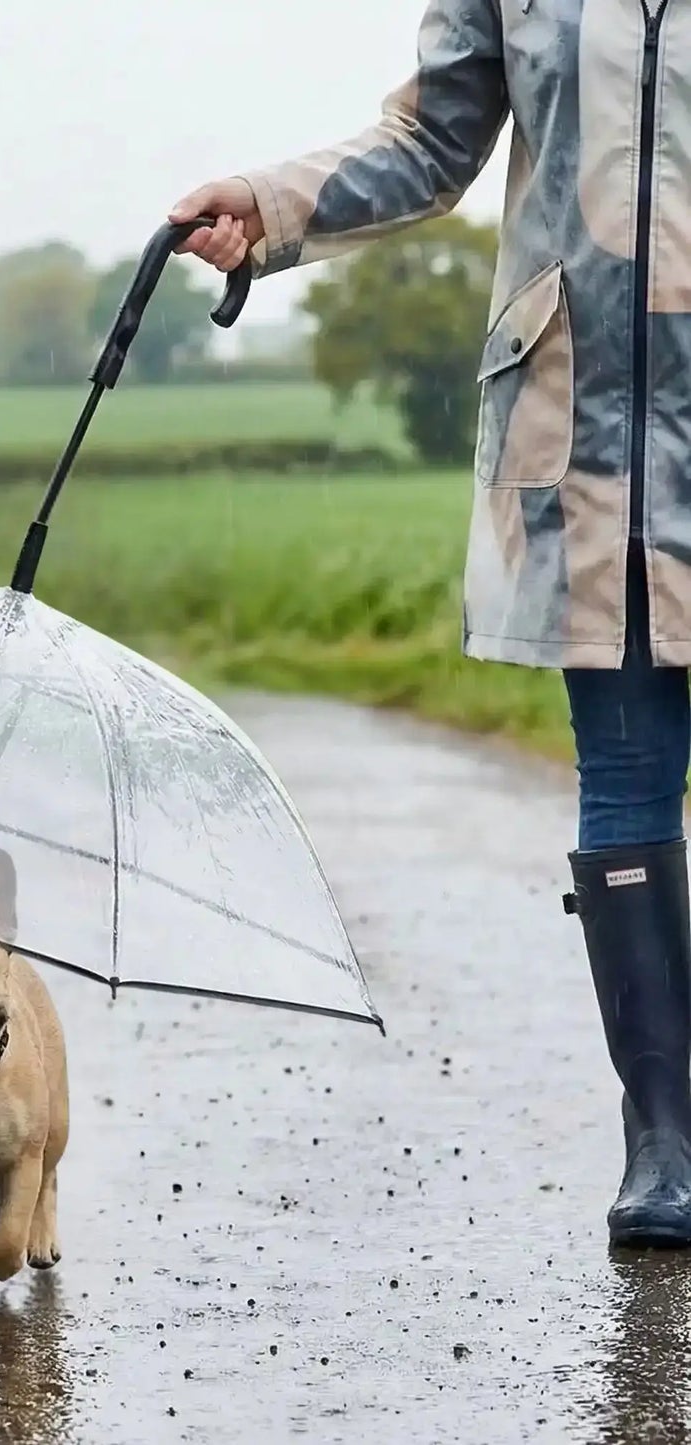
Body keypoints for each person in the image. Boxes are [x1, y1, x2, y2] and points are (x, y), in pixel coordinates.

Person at [169, 0, 691, 1248]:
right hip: (586, 438)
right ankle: (665, 1136)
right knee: (623, 775)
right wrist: (266, 205)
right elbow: (430, 141)